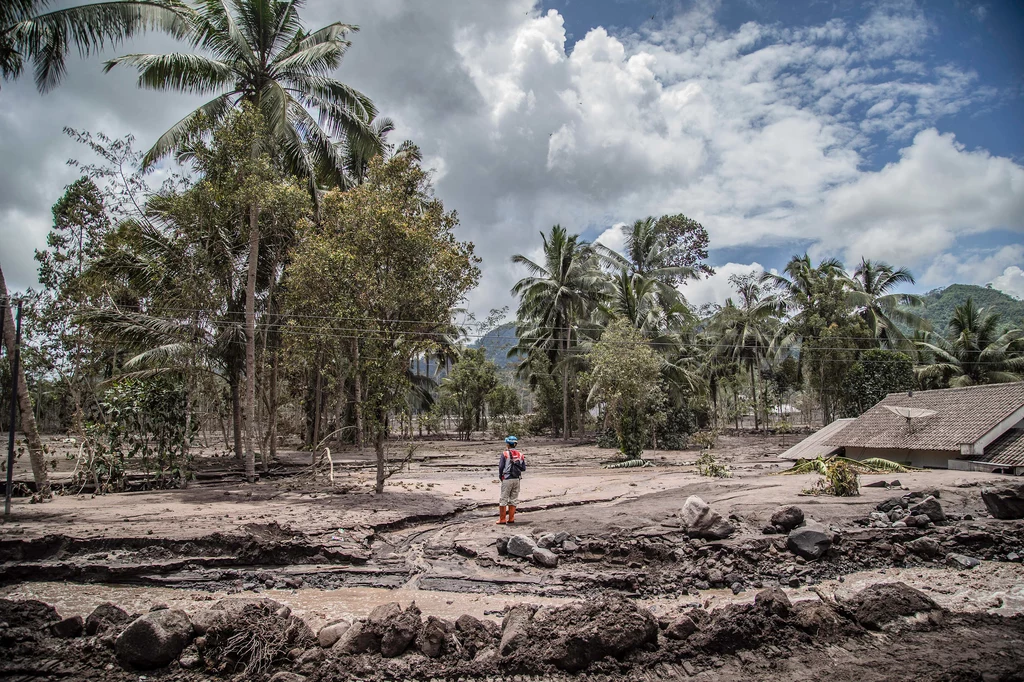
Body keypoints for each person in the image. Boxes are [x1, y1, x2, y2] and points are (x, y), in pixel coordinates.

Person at [497, 435, 526, 524]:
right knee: (514, 499)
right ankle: (511, 518)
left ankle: (502, 519)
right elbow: (523, 468)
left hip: (507, 478)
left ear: (508, 444)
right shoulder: (521, 455)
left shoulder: (505, 454)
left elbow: (501, 467)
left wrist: (500, 476)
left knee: (503, 498)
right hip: (517, 479)